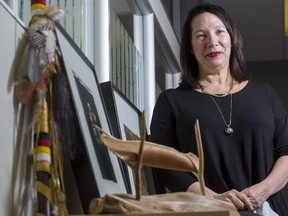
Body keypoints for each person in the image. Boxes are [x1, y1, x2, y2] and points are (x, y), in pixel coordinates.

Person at [150, 4, 288, 216]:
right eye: (200, 35)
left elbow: (285, 152)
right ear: (189, 46)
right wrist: (214, 200)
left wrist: (262, 191)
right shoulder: (171, 101)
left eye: (219, 31)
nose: (212, 42)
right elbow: (164, 166)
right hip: (205, 212)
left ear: (232, 38)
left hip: (268, 210)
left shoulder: (265, 95)